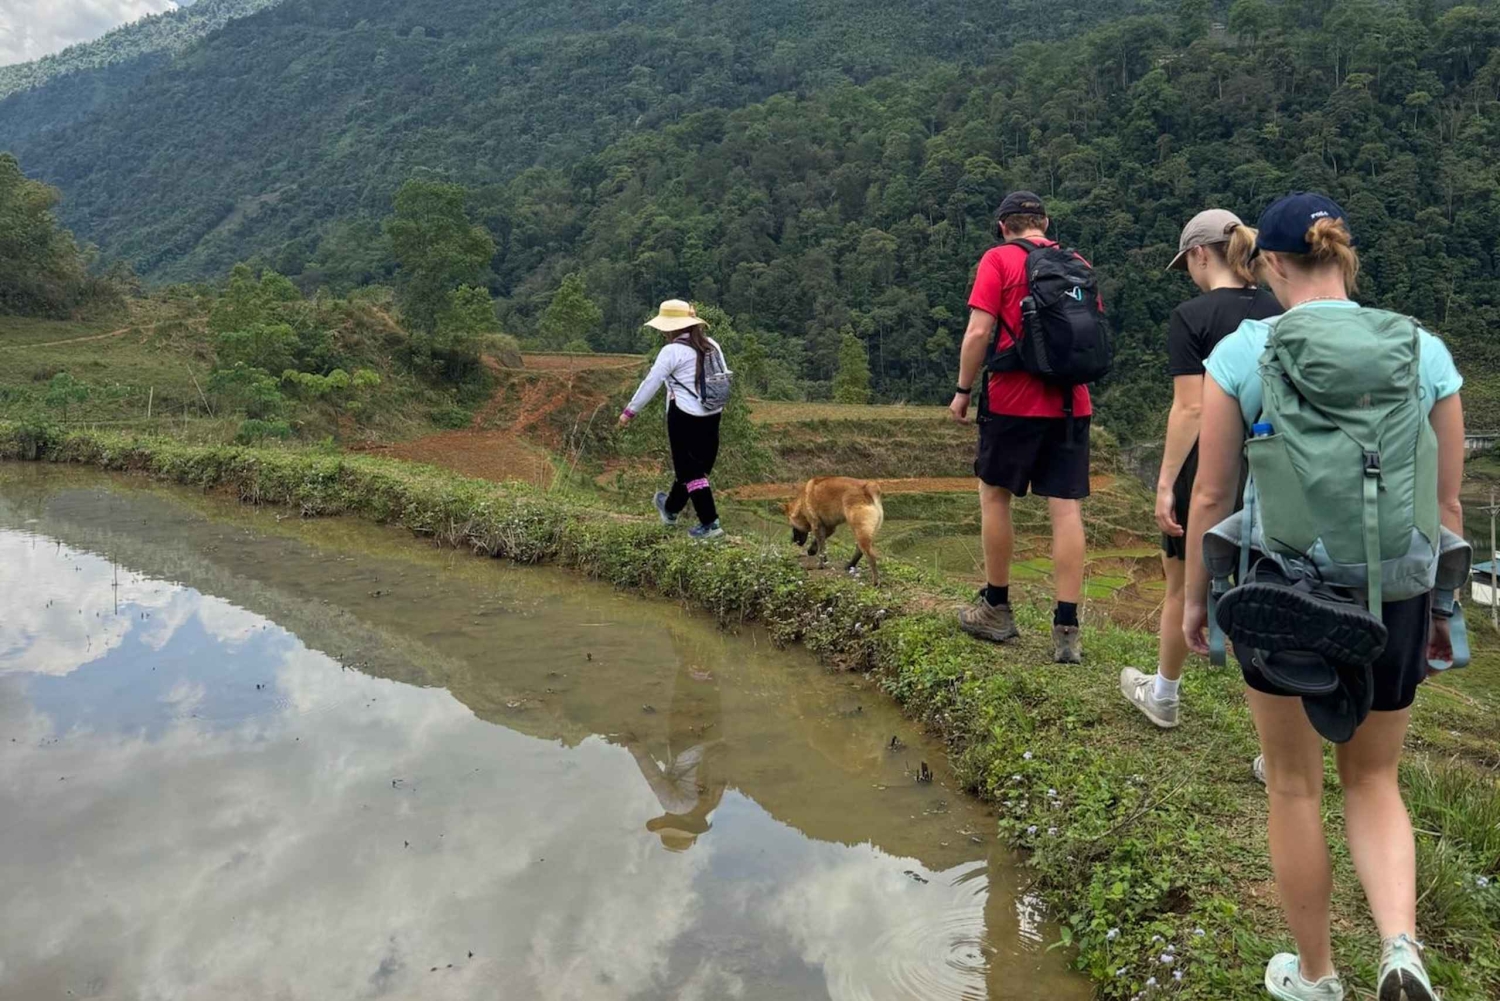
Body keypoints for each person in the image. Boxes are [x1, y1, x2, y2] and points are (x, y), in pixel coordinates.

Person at [1184, 194, 1464, 1001]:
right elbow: (1446, 509)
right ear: (1344, 257)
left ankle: (1316, 976)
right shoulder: (1423, 349)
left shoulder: (1242, 351)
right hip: (1397, 593)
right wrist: (1442, 610)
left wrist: (1201, 601)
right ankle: (1401, 953)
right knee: (1374, 780)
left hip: (1285, 596)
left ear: (1269, 264)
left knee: (1293, 783)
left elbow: (1212, 497)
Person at [1120, 210, 1281, 728]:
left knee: (1180, 584)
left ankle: (1164, 693)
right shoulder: (1280, 305)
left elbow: (1190, 409)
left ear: (1198, 254)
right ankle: (1274, 740)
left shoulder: (1192, 316)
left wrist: (1165, 482)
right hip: (1274, 467)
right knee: (1269, 593)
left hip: (1208, 467)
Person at [949, 191, 1095, 664]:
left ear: (1003, 226)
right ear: (1045, 223)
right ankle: (1067, 629)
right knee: (1066, 508)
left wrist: (963, 389)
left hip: (1014, 400)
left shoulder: (998, 260)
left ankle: (996, 607)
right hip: (1073, 402)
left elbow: (978, 331)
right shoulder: (1077, 263)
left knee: (994, 495)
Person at [619, 299, 728, 541]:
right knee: (691, 469)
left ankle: (710, 524)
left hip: (684, 416)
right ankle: (670, 509)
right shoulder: (712, 345)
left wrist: (629, 412)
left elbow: (651, 383)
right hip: (712, 415)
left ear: (670, 327)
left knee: (691, 471)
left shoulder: (672, 351)